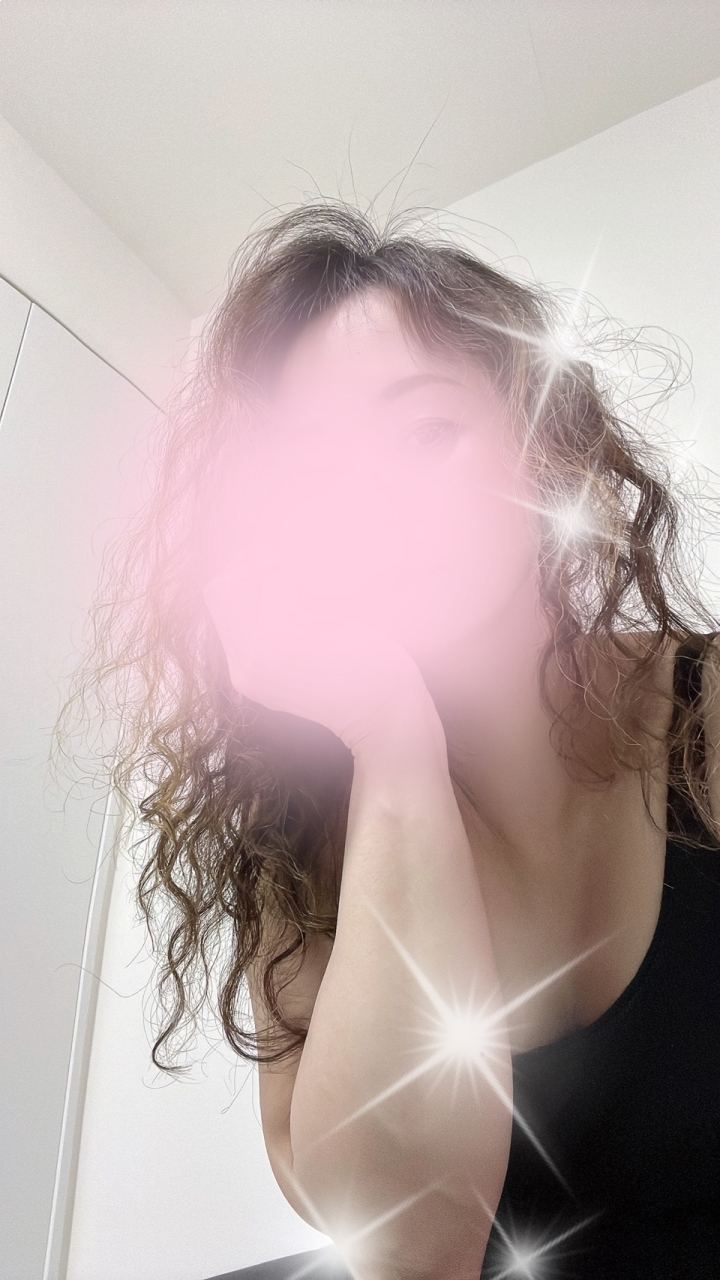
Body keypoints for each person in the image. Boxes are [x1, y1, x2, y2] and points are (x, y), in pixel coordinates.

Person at [55, 202, 720, 1279]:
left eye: (423, 434)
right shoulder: (295, 839)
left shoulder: (704, 707)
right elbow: (409, 1248)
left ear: (540, 446)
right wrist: (391, 738)